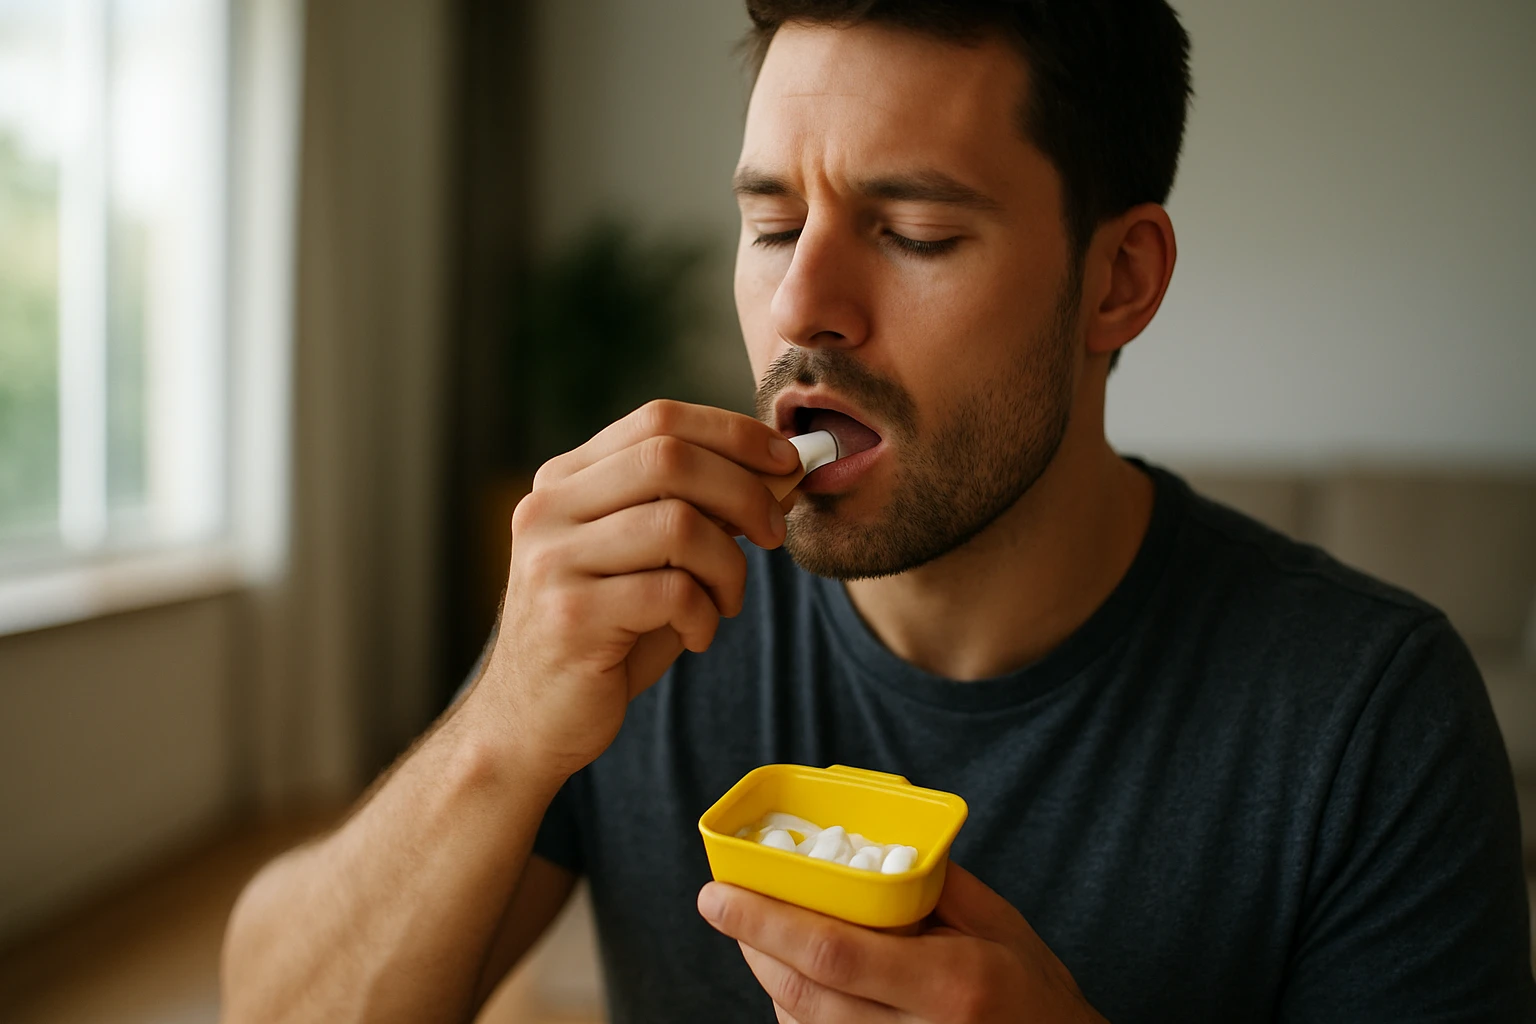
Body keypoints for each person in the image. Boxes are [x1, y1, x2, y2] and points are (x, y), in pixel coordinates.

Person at [221, 2, 1536, 1021]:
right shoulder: (653, 621)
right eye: (773, 223)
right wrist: (503, 726)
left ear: (1118, 281)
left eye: (912, 231)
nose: (802, 308)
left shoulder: (1374, 717)